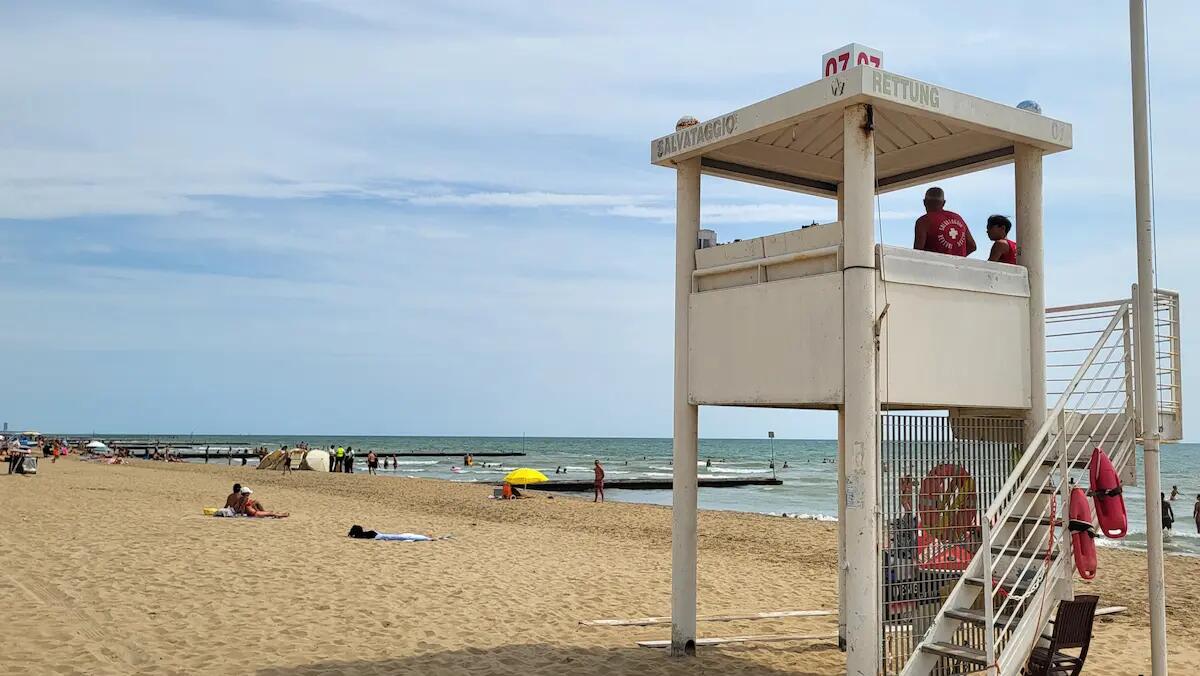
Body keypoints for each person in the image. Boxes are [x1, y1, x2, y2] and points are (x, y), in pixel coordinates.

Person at [913, 187, 976, 257]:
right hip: (958, 264)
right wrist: (958, 258)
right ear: (944, 203)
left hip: (935, 263)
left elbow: (917, 253)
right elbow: (972, 246)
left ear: (924, 202)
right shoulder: (958, 218)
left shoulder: (923, 221)